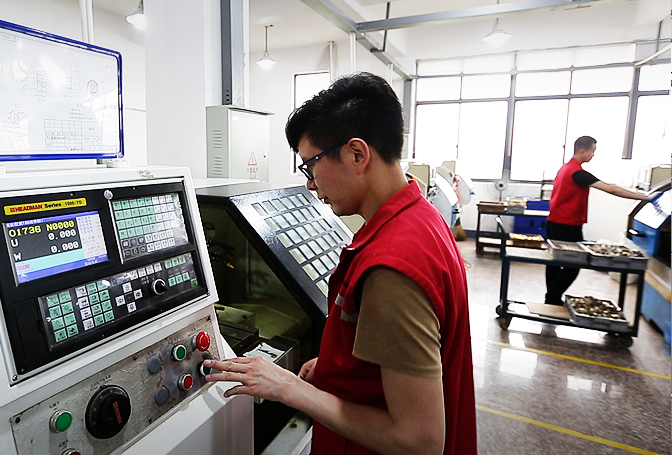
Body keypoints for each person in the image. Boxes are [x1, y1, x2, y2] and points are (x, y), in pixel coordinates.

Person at [203, 72, 477, 455]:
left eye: (310, 165)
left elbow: (419, 440)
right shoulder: (419, 218)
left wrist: (289, 388)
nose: (310, 184)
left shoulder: (393, 267)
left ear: (357, 155)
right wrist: (339, 365)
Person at [545, 135, 651, 305]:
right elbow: (611, 189)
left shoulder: (565, 168)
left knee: (555, 262)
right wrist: (645, 198)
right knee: (574, 265)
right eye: (592, 151)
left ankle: (552, 298)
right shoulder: (578, 173)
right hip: (568, 226)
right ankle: (552, 298)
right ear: (582, 151)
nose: (593, 155)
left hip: (554, 222)